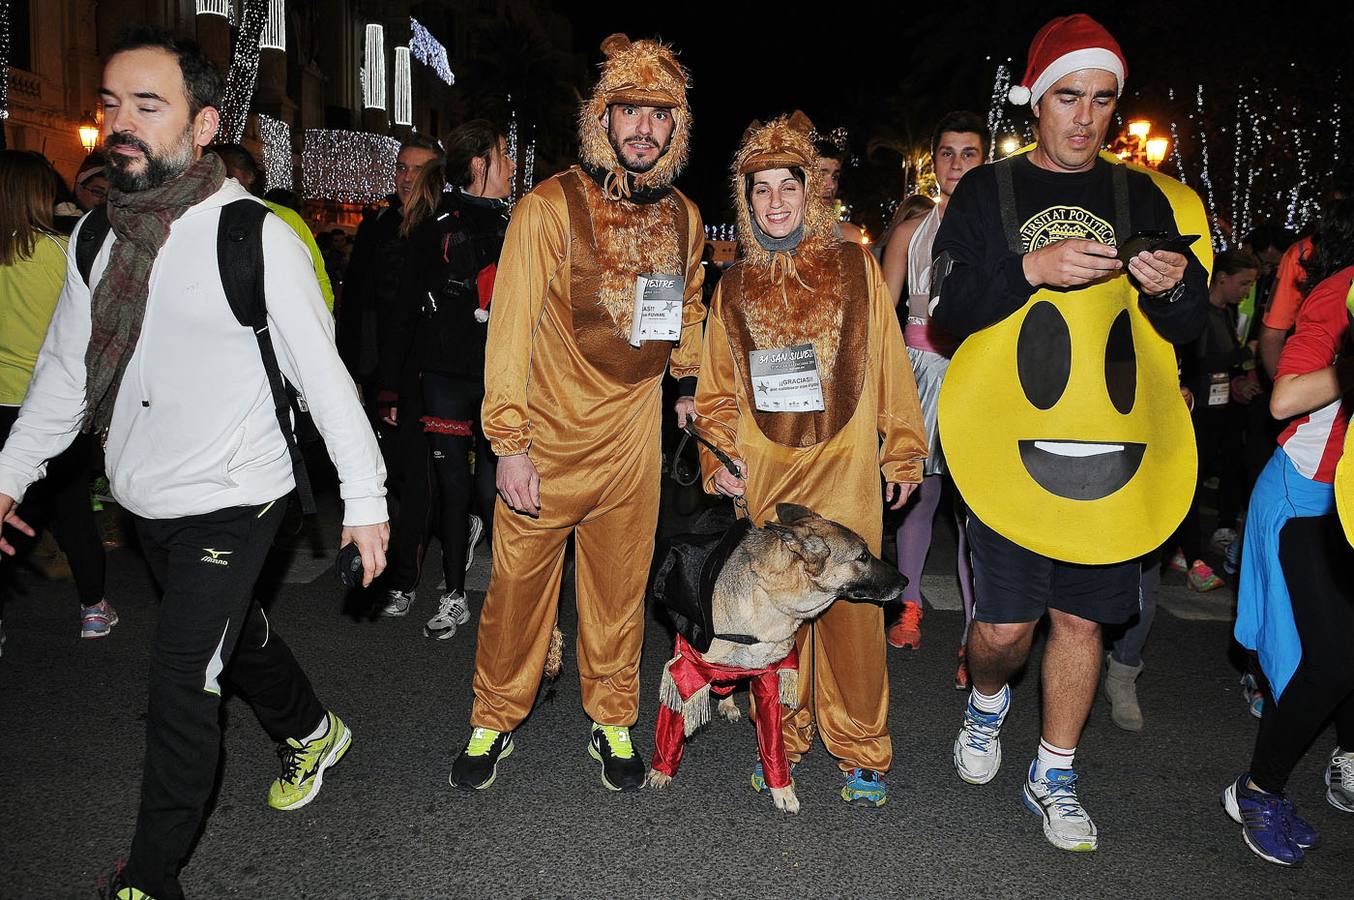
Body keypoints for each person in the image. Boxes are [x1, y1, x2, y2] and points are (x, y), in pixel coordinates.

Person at [0, 29, 388, 900]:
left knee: (182, 674)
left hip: (240, 492)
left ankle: (147, 878)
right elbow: (66, 372)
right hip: (146, 497)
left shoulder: (256, 238)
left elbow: (328, 384)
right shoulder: (97, 238)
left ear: (204, 124)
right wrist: (8, 474)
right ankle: (313, 729)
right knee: (228, 636)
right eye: (111, 104)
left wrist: (365, 499)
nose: (121, 124)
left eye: (148, 105)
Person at [931, 14, 1208, 852]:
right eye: (1067, 97)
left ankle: (1054, 772)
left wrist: (1171, 287)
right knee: (1006, 633)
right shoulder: (989, 191)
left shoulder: (1145, 195)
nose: (1084, 117)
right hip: (1008, 448)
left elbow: (1193, 327)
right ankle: (986, 703)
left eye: (1101, 99)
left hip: (1117, 449)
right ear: (1036, 102)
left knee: (1084, 624)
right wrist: (1031, 269)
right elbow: (945, 316)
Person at [449, 34, 705, 793]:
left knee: (621, 592)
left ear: (675, 128)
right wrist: (509, 444)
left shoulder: (685, 217)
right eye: (630, 110)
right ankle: (493, 719)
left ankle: (613, 718)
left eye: (660, 116)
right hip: (547, 441)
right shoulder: (547, 206)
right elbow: (510, 333)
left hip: (633, 443)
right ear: (604, 116)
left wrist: (689, 385)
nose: (644, 129)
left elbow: (687, 312)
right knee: (517, 593)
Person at [695, 111, 926, 807]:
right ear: (746, 198)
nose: (774, 202)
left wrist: (904, 453)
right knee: (781, 616)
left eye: (785, 187)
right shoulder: (731, 287)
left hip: (846, 463)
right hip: (772, 473)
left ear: (808, 191)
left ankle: (860, 749)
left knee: (855, 616)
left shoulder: (856, 266)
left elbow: (890, 365)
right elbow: (716, 393)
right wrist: (720, 461)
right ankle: (785, 736)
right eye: (760, 189)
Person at [1224, 208, 1354, 866]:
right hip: (1309, 496)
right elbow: (1284, 398)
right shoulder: (1343, 287)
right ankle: (1258, 791)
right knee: (1313, 665)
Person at [376, 121, 513, 638]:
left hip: (501, 379)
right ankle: (454, 594)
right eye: (504, 157)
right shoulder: (434, 227)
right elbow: (404, 309)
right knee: (451, 487)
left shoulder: (519, 226)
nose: (513, 168)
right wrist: (390, 386)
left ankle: (506, 592)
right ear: (479, 165)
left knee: (490, 488)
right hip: (444, 377)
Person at [880, 112, 989, 684]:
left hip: (979, 375)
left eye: (968, 154)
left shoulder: (1003, 229)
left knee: (976, 514)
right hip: (918, 368)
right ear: (934, 160)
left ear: (985, 160)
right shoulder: (910, 231)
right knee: (916, 497)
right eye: (947, 153)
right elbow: (882, 314)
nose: (956, 164)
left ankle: (977, 634)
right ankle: (908, 606)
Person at [0, 150, 113, 644]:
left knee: (7, 516)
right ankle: (92, 608)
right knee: (72, 512)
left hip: (1, 403)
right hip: (51, 403)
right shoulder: (55, 252)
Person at [1168, 248, 1258, 591]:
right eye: (1244, 283)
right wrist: (1245, 353)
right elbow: (1200, 364)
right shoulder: (1198, 314)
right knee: (1189, 485)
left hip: (1219, 411)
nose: (1247, 291)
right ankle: (1194, 561)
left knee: (1213, 475)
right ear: (1221, 278)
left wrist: (1239, 376)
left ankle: (1183, 551)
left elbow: (1221, 366)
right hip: (1196, 412)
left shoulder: (1226, 312)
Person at [337, 134, 444, 399]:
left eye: (418, 170)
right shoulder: (378, 221)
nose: (407, 178)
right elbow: (355, 294)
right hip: (373, 358)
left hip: (426, 365)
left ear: (438, 178)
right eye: (401, 168)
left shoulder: (447, 226)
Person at [212, 142, 335, 313]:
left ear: (250, 176)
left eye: (228, 176)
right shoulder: (193, 218)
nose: (219, 182)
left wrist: (324, 328)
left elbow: (317, 278)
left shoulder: (283, 218)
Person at [813, 138, 865, 244]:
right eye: (821, 175)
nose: (831, 185)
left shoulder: (847, 236)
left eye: (835, 177)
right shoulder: (777, 232)